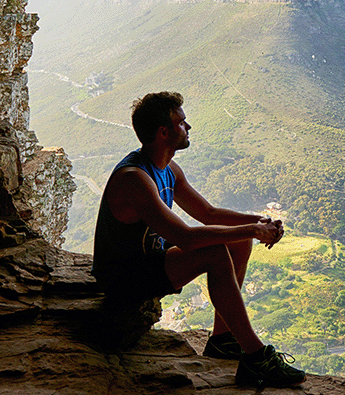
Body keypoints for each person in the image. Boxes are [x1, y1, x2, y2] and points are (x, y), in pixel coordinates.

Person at [92, 91, 306, 387]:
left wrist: (256, 222)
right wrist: (254, 231)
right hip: (124, 277)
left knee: (237, 242)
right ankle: (256, 359)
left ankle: (223, 340)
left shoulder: (167, 169)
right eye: (182, 122)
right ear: (163, 132)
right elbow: (186, 238)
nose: (188, 127)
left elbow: (207, 212)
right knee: (215, 253)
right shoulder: (135, 179)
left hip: (150, 262)